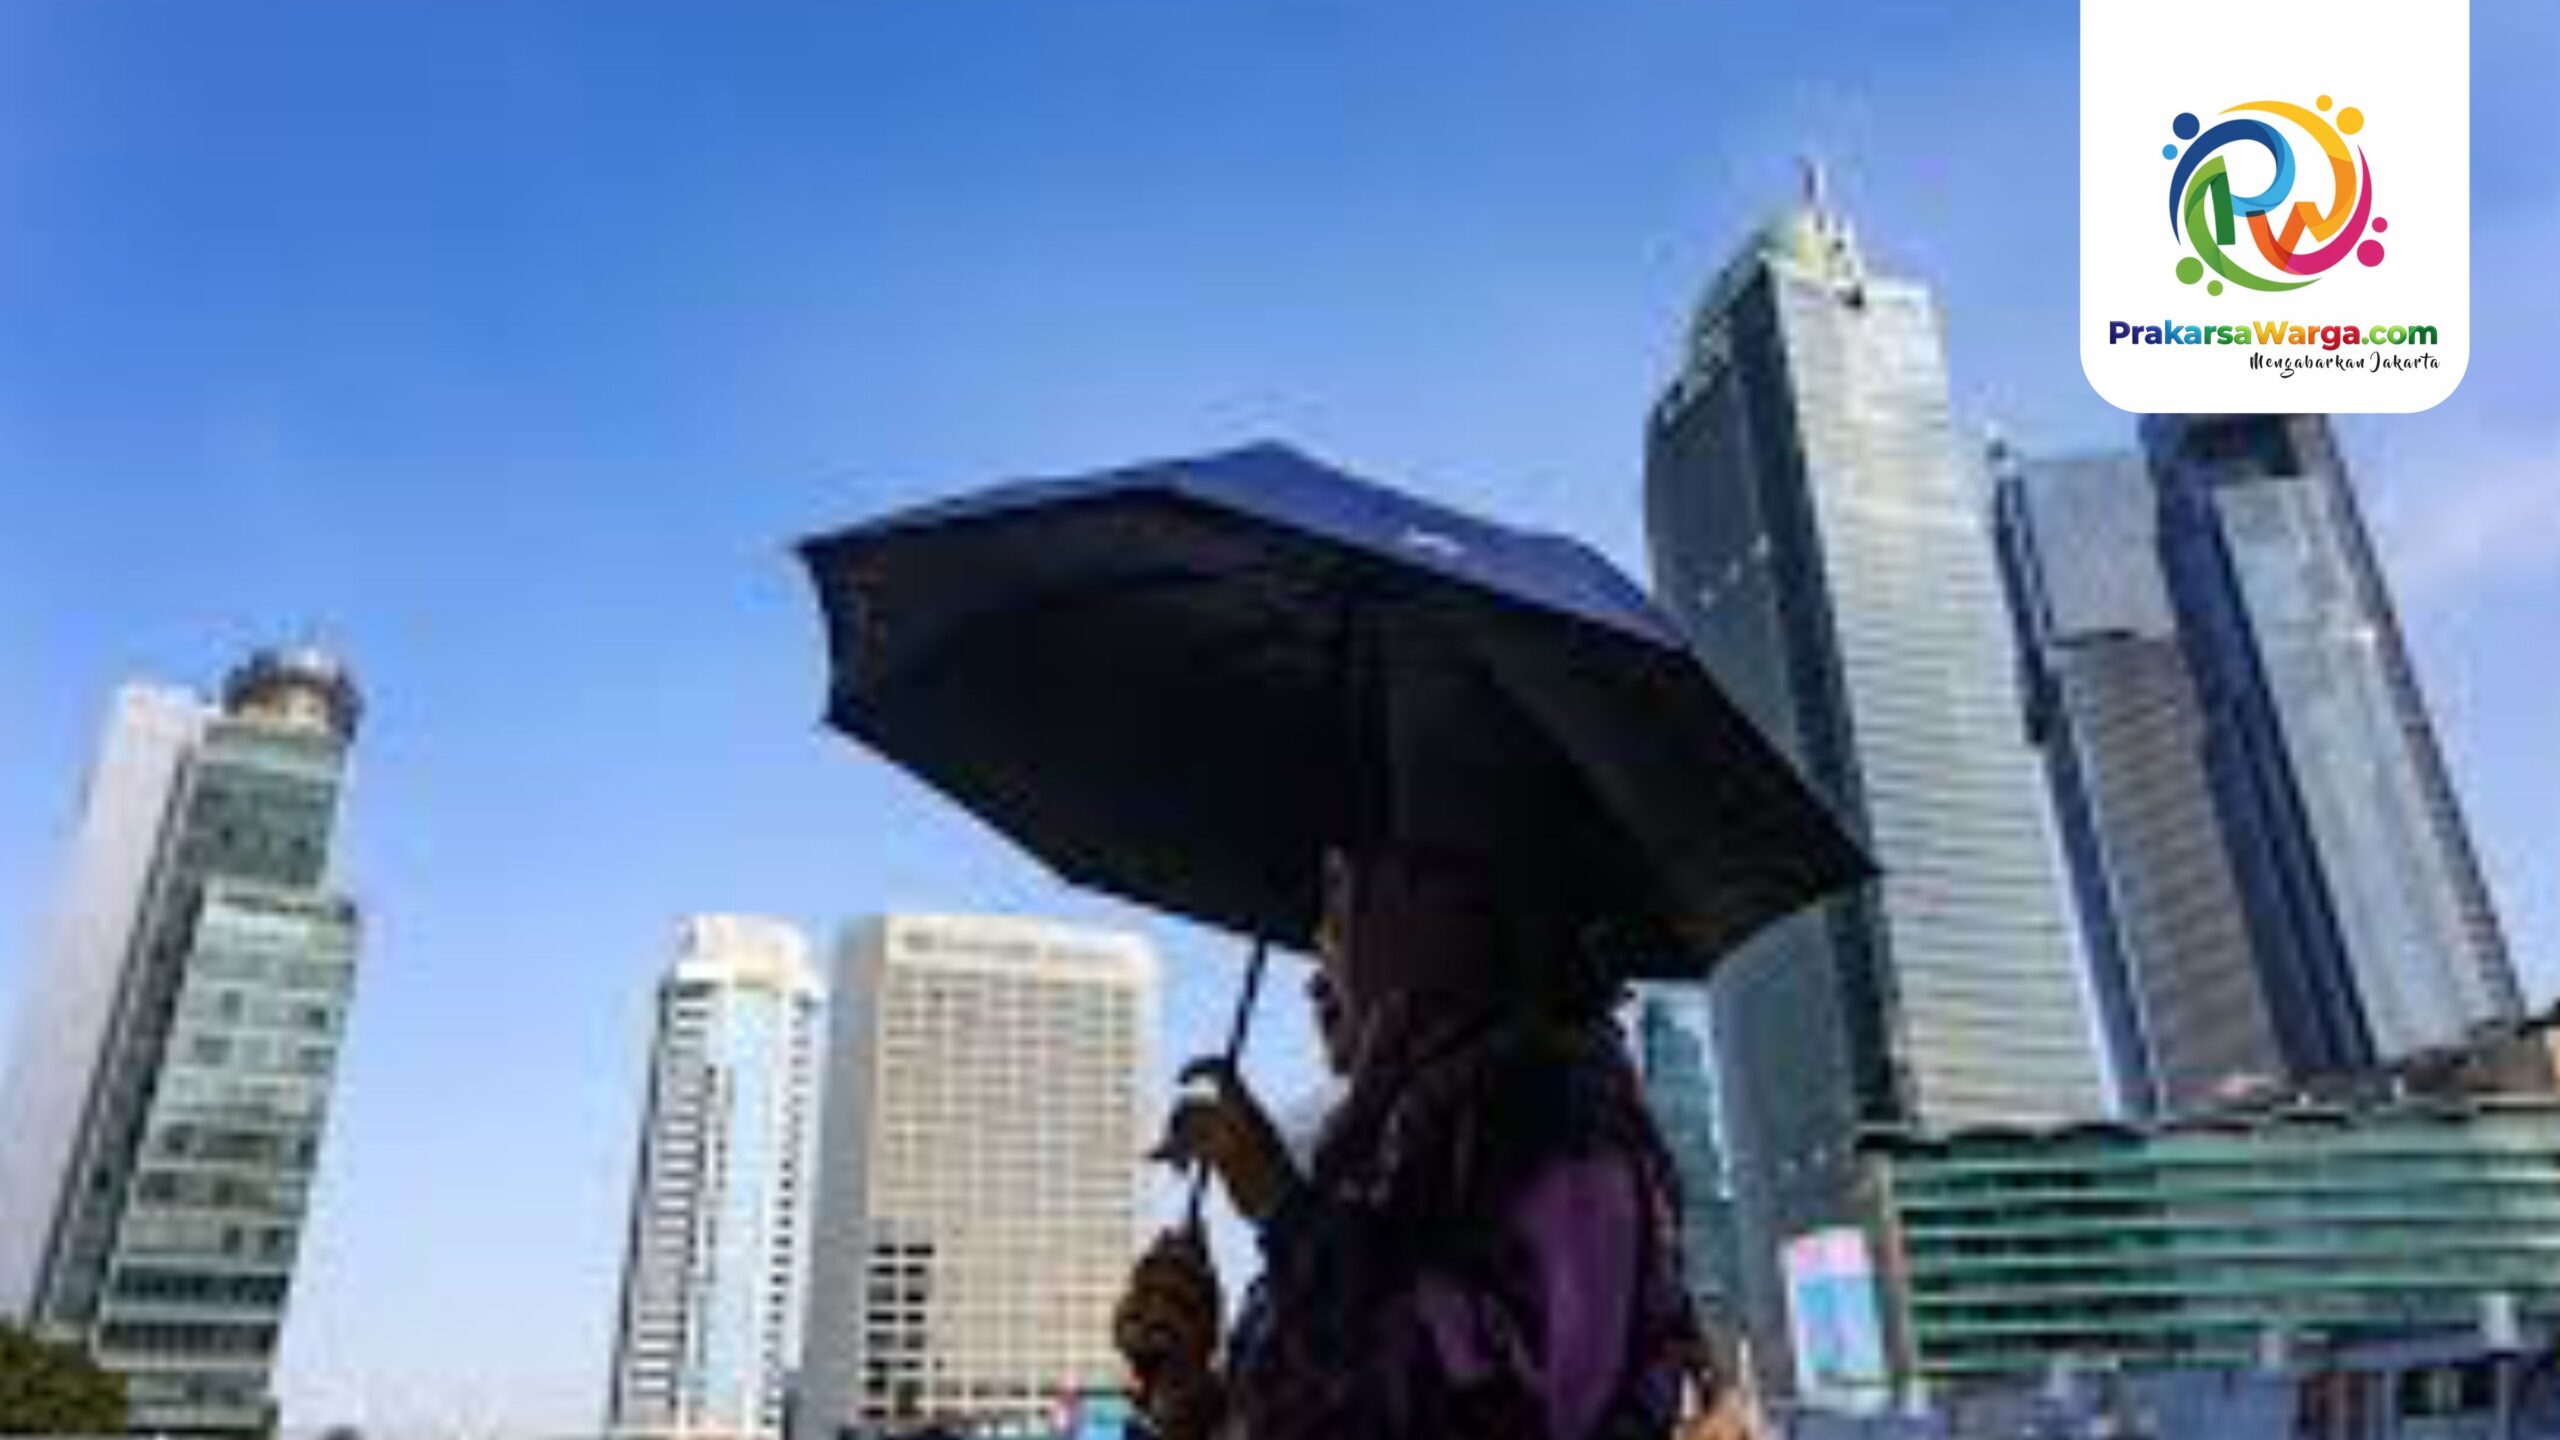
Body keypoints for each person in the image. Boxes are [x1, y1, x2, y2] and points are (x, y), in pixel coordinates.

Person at [1114, 845, 1747, 1440]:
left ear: (1434, 924)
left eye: (1344, 910)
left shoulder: (1563, 1126)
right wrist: (1189, 1398)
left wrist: (1284, 1209)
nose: (1314, 975)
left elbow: (1489, 1410)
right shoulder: (1381, 1155)